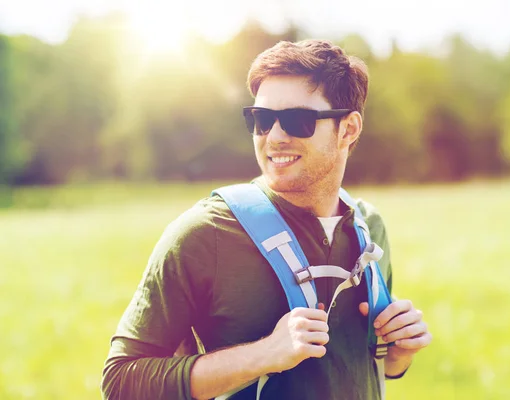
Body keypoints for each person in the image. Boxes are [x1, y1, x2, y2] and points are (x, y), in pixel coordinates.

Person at [101, 39, 431, 400]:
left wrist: (398, 354)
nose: (274, 137)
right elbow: (121, 382)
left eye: (296, 120)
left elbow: (364, 366)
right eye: (261, 120)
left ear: (348, 130)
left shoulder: (368, 229)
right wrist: (265, 354)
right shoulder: (204, 233)